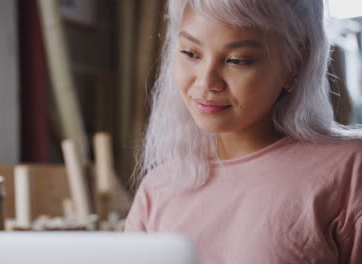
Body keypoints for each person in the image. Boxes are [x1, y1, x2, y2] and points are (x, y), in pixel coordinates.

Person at [124, 0, 362, 263]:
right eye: (191, 53)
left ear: (295, 63)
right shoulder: (158, 187)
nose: (206, 82)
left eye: (237, 60)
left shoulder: (349, 169)